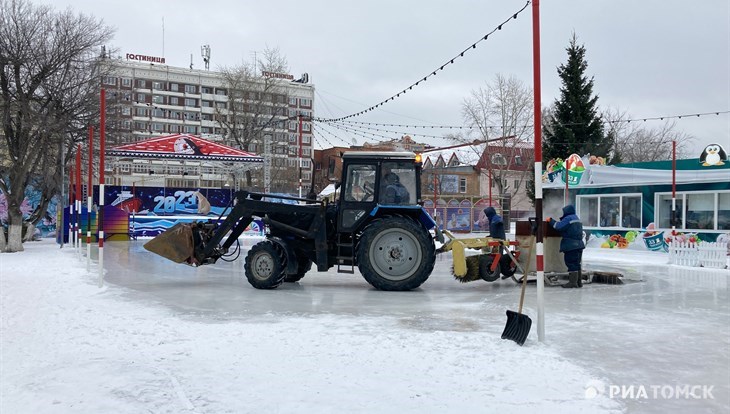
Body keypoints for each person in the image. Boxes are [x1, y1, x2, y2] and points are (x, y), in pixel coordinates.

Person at [547, 204, 586, 288]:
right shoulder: (576, 218)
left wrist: (550, 220)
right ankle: (578, 282)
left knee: (571, 263)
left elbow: (558, 226)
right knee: (577, 264)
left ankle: (572, 283)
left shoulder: (568, 218)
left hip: (571, 245)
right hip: (579, 245)